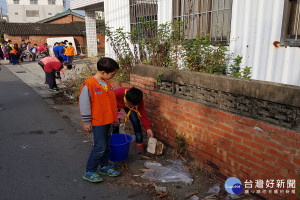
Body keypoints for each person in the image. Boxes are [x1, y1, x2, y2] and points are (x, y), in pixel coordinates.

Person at [79, 57, 120, 183]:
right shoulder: (89, 84)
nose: (113, 76)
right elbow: (84, 104)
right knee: (99, 147)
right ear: (103, 72)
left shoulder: (107, 83)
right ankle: (90, 171)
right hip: (97, 122)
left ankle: (104, 166)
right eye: (112, 74)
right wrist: (87, 122)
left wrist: (115, 118)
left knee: (106, 146)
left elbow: (111, 103)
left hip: (108, 121)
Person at [113, 87, 154, 153]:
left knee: (135, 121)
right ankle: (115, 141)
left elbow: (142, 114)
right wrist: (119, 110)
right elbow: (109, 101)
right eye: (130, 104)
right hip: (116, 105)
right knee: (115, 124)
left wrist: (148, 128)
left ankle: (139, 142)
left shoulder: (138, 100)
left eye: (134, 105)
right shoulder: (118, 93)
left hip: (129, 107)